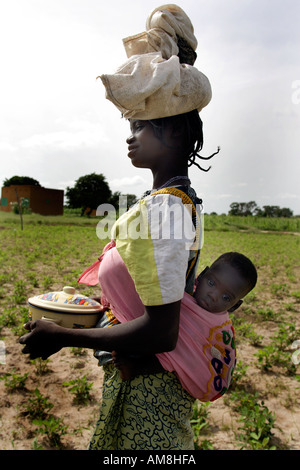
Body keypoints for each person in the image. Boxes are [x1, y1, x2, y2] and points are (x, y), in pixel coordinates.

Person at [19, 4, 223, 450]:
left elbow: (160, 330)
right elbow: (151, 290)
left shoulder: (167, 208)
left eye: (144, 126)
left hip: (150, 399)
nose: (131, 135)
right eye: (131, 124)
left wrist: (64, 336)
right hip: (138, 385)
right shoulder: (169, 200)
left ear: (178, 134)